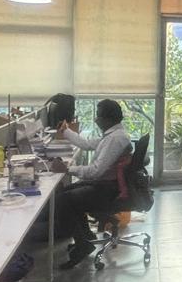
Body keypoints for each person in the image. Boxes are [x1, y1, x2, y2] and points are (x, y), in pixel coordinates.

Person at [48, 98, 132, 269]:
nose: (95, 119)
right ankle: (85, 237)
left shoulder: (115, 139)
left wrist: (67, 169)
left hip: (108, 190)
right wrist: (65, 130)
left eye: (98, 116)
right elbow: (86, 144)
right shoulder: (112, 134)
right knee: (63, 193)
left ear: (108, 119)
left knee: (64, 200)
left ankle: (82, 244)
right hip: (103, 184)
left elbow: (96, 171)